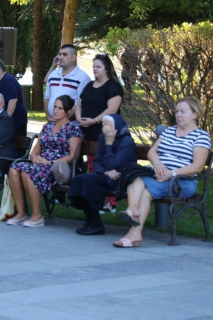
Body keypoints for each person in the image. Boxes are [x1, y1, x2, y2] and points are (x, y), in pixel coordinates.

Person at [114, 97, 211, 248]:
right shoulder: (170, 131)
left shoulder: (201, 136)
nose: (178, 115)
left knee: (140, 182)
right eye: (177, 111)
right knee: (139, 183)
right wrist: (158, 163)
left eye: (183, 112)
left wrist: (171, 173)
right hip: (160, 176)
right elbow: (152, 152)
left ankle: (133, 223)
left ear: (195, 114)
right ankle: (134, 227)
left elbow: (197, 167)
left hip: (182, 182)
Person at [6, 95, 82, 227]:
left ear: (68, 111)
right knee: (14, 168)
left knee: (27, 171)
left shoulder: (72, 128)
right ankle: (21, 212)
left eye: (60, 108)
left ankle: (37, 216)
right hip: (40, 163)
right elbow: (36, 149)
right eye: (55, 107)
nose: (56, 110)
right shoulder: (47, 126)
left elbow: (73, 156)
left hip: (58, 167)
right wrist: (35, 157)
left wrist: (50, 163)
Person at [68, 114, 137, 235]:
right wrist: (105, 172)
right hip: (105, 175)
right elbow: (97, 162)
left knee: (88, 182)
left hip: (120, 179)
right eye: (103, 125)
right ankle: (90, 221)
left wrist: (109, 144)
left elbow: (113, 164)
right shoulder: (102, 137)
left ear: (116, 127)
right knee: (79, 180)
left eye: (107, 126)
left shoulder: (127, 142)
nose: (104, 129)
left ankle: (95, 223)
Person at [76, 53, 124, 211]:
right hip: (86, 132)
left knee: (106, 165)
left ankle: (110, 202)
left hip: (104, 132)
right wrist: (79, 119)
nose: (95, 69)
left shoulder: (113, 86)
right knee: (91, 165)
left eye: (98, 67)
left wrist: (95, 120)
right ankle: (93, 198)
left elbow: (112, 109)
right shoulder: (89, 85)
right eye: (94, 66)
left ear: (106, 68)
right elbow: (80, 105)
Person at [43, 44, 91, 122]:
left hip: (71, 124)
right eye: (60, 54)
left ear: (73, 58)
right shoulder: (53, 74)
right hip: (51, 122)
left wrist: (64, 121)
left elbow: (80, 103)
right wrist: (47, 116)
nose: (60, 57)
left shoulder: (82, 77)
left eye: (64, 54)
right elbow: (47, 98)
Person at [0, 59, 28, 136]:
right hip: (14, 120)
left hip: (16, 120)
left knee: (15, 145)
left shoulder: (7, 81)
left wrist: (6, 119)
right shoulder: (5, 79)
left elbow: (13, 100)